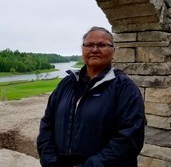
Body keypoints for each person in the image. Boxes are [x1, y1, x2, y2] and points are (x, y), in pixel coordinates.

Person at [37, 26, 145, 167]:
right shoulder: (66, 84)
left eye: (102, 45)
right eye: (89, 45)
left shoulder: (124, 88)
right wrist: (50, 161)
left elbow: (130, 139)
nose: (94, 49)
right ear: (83, 50)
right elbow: (47, 125)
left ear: (113, 51)